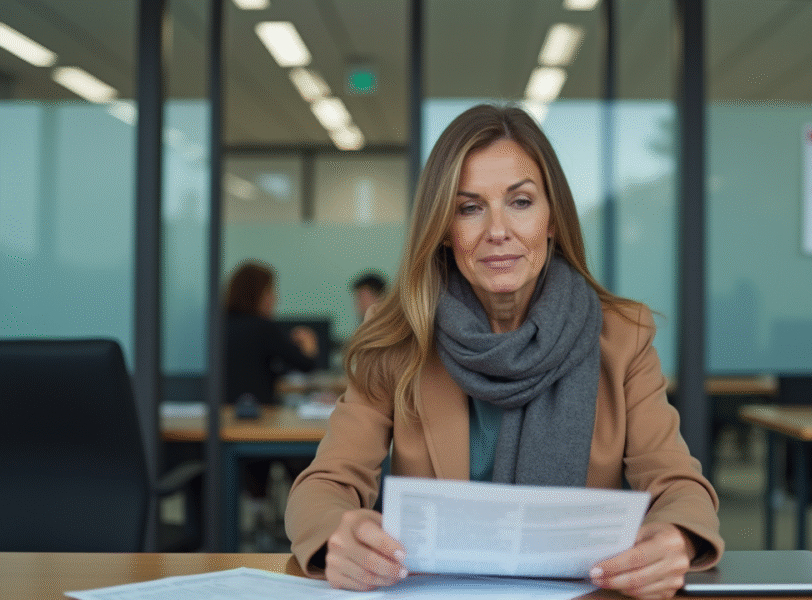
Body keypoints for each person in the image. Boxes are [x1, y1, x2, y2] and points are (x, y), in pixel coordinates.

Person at [285, 105, 724, 599]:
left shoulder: (622, 336)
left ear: (552, 218)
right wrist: (337, 538)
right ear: (445, 230)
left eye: (520, 202)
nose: (498, 230)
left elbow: (679, 487)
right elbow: (322, 487)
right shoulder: (399, 339)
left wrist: (674, 539)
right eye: (469, 207)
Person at [225, 260, 319, 548]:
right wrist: (309, 344)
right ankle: (301, 519)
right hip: (261, 421)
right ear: (258, 294)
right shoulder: (263, 328)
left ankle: (258, 514)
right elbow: (304, 365)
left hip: (228, 419)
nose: (274, 297)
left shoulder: (220, 325)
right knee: (303, 456)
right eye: (271, 291)